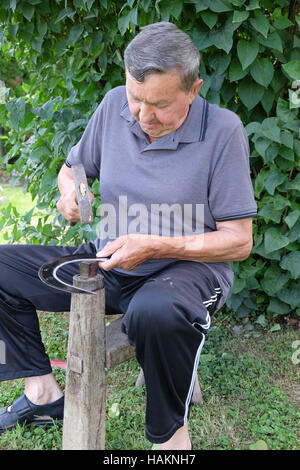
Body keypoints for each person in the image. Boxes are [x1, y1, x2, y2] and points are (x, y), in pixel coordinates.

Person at [0, 22, 257, 449]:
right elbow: (73, 169)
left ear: (194, 90)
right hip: (110, 259)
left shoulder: (223, 132)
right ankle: (43, 394)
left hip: (186, 270)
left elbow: (239, 240)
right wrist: (70, 194)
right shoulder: (116, 105)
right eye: (136, 99)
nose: (142, 116)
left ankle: (170, 441)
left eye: (159, 105)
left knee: (154, 313)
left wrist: (157, 245)